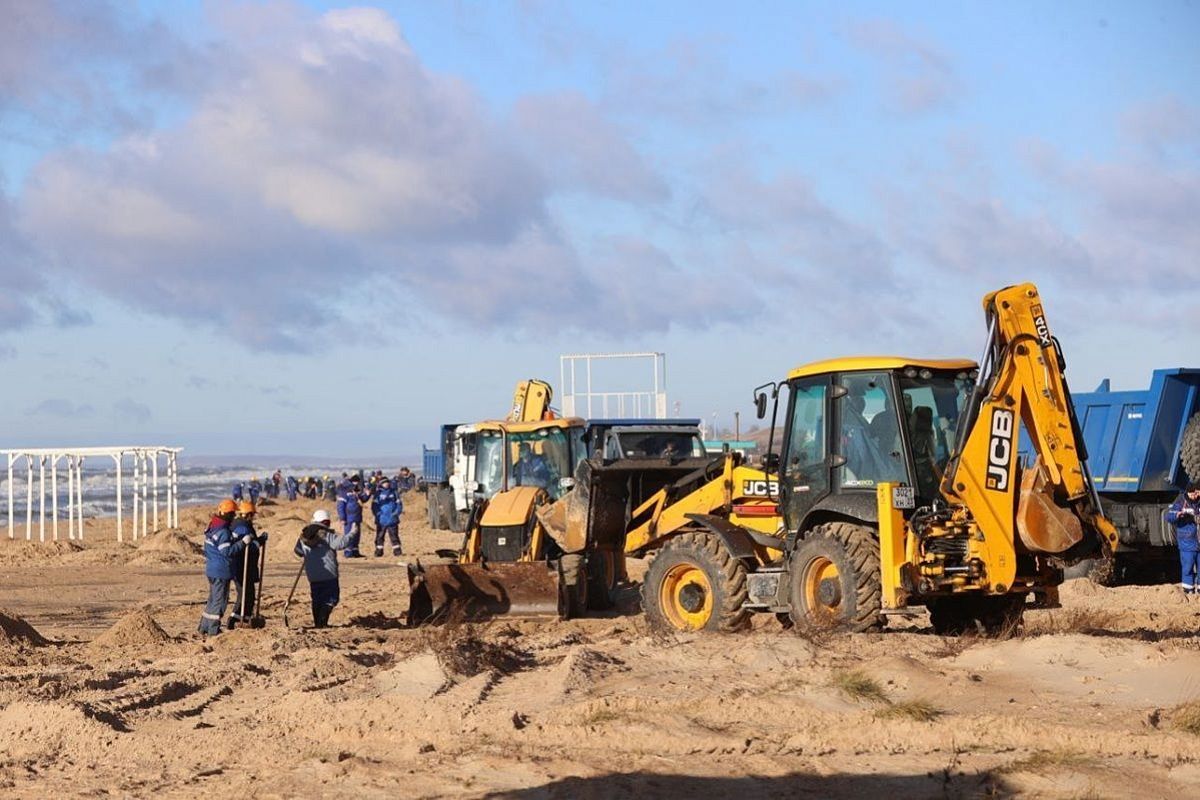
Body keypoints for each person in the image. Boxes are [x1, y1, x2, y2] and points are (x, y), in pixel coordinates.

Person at [294, 509, 349, 628]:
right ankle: (322, 622)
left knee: (317, 598)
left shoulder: (304, 535)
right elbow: (340, 544)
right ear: (326, 522)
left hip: (313, 575)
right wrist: (352, 533)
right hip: (329, 574)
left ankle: (317, 623)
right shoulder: (326, 534)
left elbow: (298, 552)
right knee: (332, 598)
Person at [198, 500, 245, 635]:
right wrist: (242, 543)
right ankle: (213, 629)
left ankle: (204, 627)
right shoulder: (223, 531)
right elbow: (227, 551)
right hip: (221, 571)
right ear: (229, 514)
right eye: (233, 514)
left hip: (212, 569)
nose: (234, 517)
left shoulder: (213, 527)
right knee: (220, 600)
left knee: (212, 600)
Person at [228, 501, 268, 628]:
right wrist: (260, 540)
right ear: (249, 514)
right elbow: (249, 546)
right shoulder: (243, 527)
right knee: (246, 594)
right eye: (252, 515)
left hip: (242, 565)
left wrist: (258, 541)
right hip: (243, 565)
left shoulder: (237, 524)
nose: (253, 517)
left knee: (247, 593)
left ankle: (244, 617)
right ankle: (235, 618)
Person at [1167, 481, 1200, 593]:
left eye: (1197, 493)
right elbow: (1169, 516)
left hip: (1198, 542)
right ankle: (1188, 589)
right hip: (1187, 543)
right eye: (1193, 494)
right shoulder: (1181, 502)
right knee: (1188, 567)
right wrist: (1178, 514)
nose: (1195, 496)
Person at [371, 478, 403, 557]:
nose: (386, 484)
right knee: (380, 536)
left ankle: (397, 551)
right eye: (384, 483)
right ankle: (379, 551)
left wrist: (396, 513)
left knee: (394, 535)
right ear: (381, 484)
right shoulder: (378, 493)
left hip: (392, 519)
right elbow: (374, 506)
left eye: (387, 482)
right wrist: (378, 514)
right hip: (381, 519)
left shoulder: (394, 492)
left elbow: (399, 504)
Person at [337, 475, 367, 558]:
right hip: (348, 518)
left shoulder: (357, 490)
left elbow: (362, 500)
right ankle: (348, 553)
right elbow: (341, 505)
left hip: (357, 516)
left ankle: (355, 551)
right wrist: (342, 518)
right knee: (349, 535)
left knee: (357, 535)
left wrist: (368, 494)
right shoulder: (345, 491)